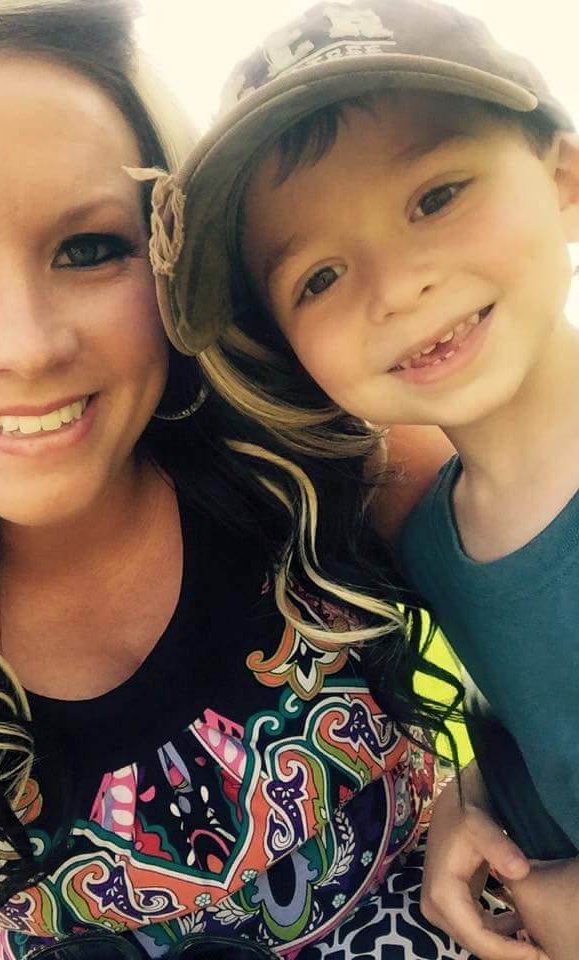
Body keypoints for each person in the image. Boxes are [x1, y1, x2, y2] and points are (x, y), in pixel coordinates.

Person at [0, 2, 486, 959]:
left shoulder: (325, 456)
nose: (28, 346)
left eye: (90, 247)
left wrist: (499, 792)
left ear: (173, 255)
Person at [143, 0, 579, 957]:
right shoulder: (433, 537)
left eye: (436, 197)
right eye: (320, 278)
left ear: (563, 176)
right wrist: (470, 800)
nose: (395, 286)